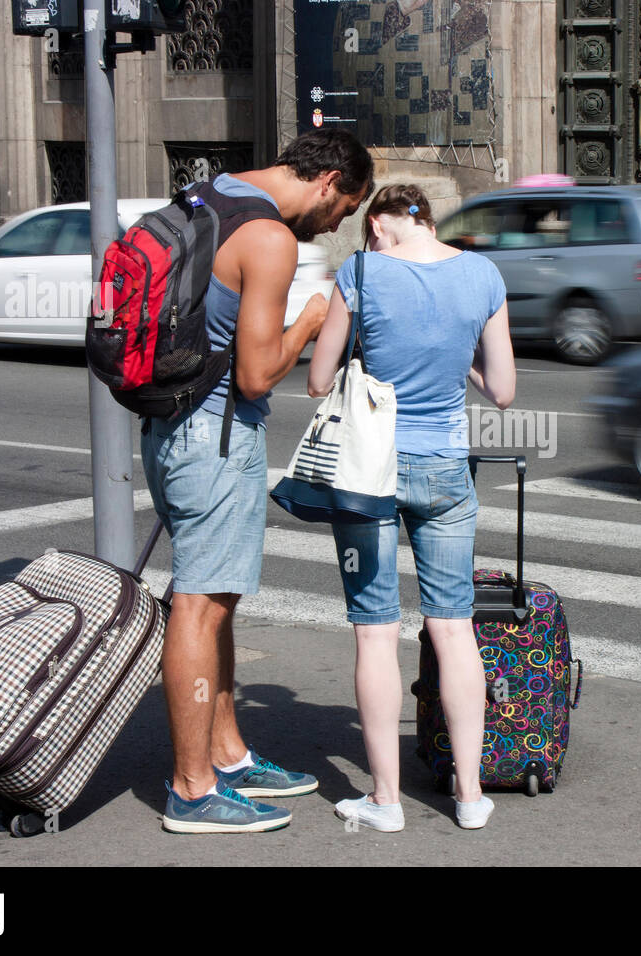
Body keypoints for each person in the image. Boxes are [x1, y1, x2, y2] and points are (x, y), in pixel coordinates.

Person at [146, 129, 374, 834]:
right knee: (198, 606)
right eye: (344, 209)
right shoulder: (268, 237)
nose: (336, 225)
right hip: (215, 437)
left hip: (169, 428)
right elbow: (255, 371)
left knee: (214, 602)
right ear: (329, 179)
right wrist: (309, 319)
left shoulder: (206, 195)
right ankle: (191, 789)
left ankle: (230, 756)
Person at [307, 183, 516, 832]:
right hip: (448, 470)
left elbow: (319, 380)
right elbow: (504, 390)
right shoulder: (482, 274)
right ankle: (471, 795)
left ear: (377, 226)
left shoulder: (362, 269)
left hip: (371, 470)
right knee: (452, 628)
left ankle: (386, 801)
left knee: (375, 632)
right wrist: (463, 363)